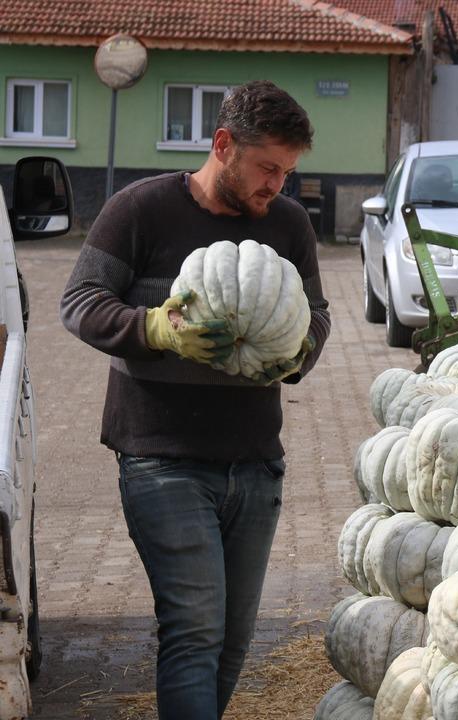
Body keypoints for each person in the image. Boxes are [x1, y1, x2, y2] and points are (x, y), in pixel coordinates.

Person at [59, 80, 331, 720]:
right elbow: (79, 302)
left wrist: (297, 352)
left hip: (255, 461)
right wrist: (154, 329)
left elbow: (316, 313)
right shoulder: (139, 208)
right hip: (162, 458)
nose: (278, 187)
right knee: (194, 633)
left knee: (234, 644)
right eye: (268, 168)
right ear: (223, 145)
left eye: (288, 173)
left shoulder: (288, 225)